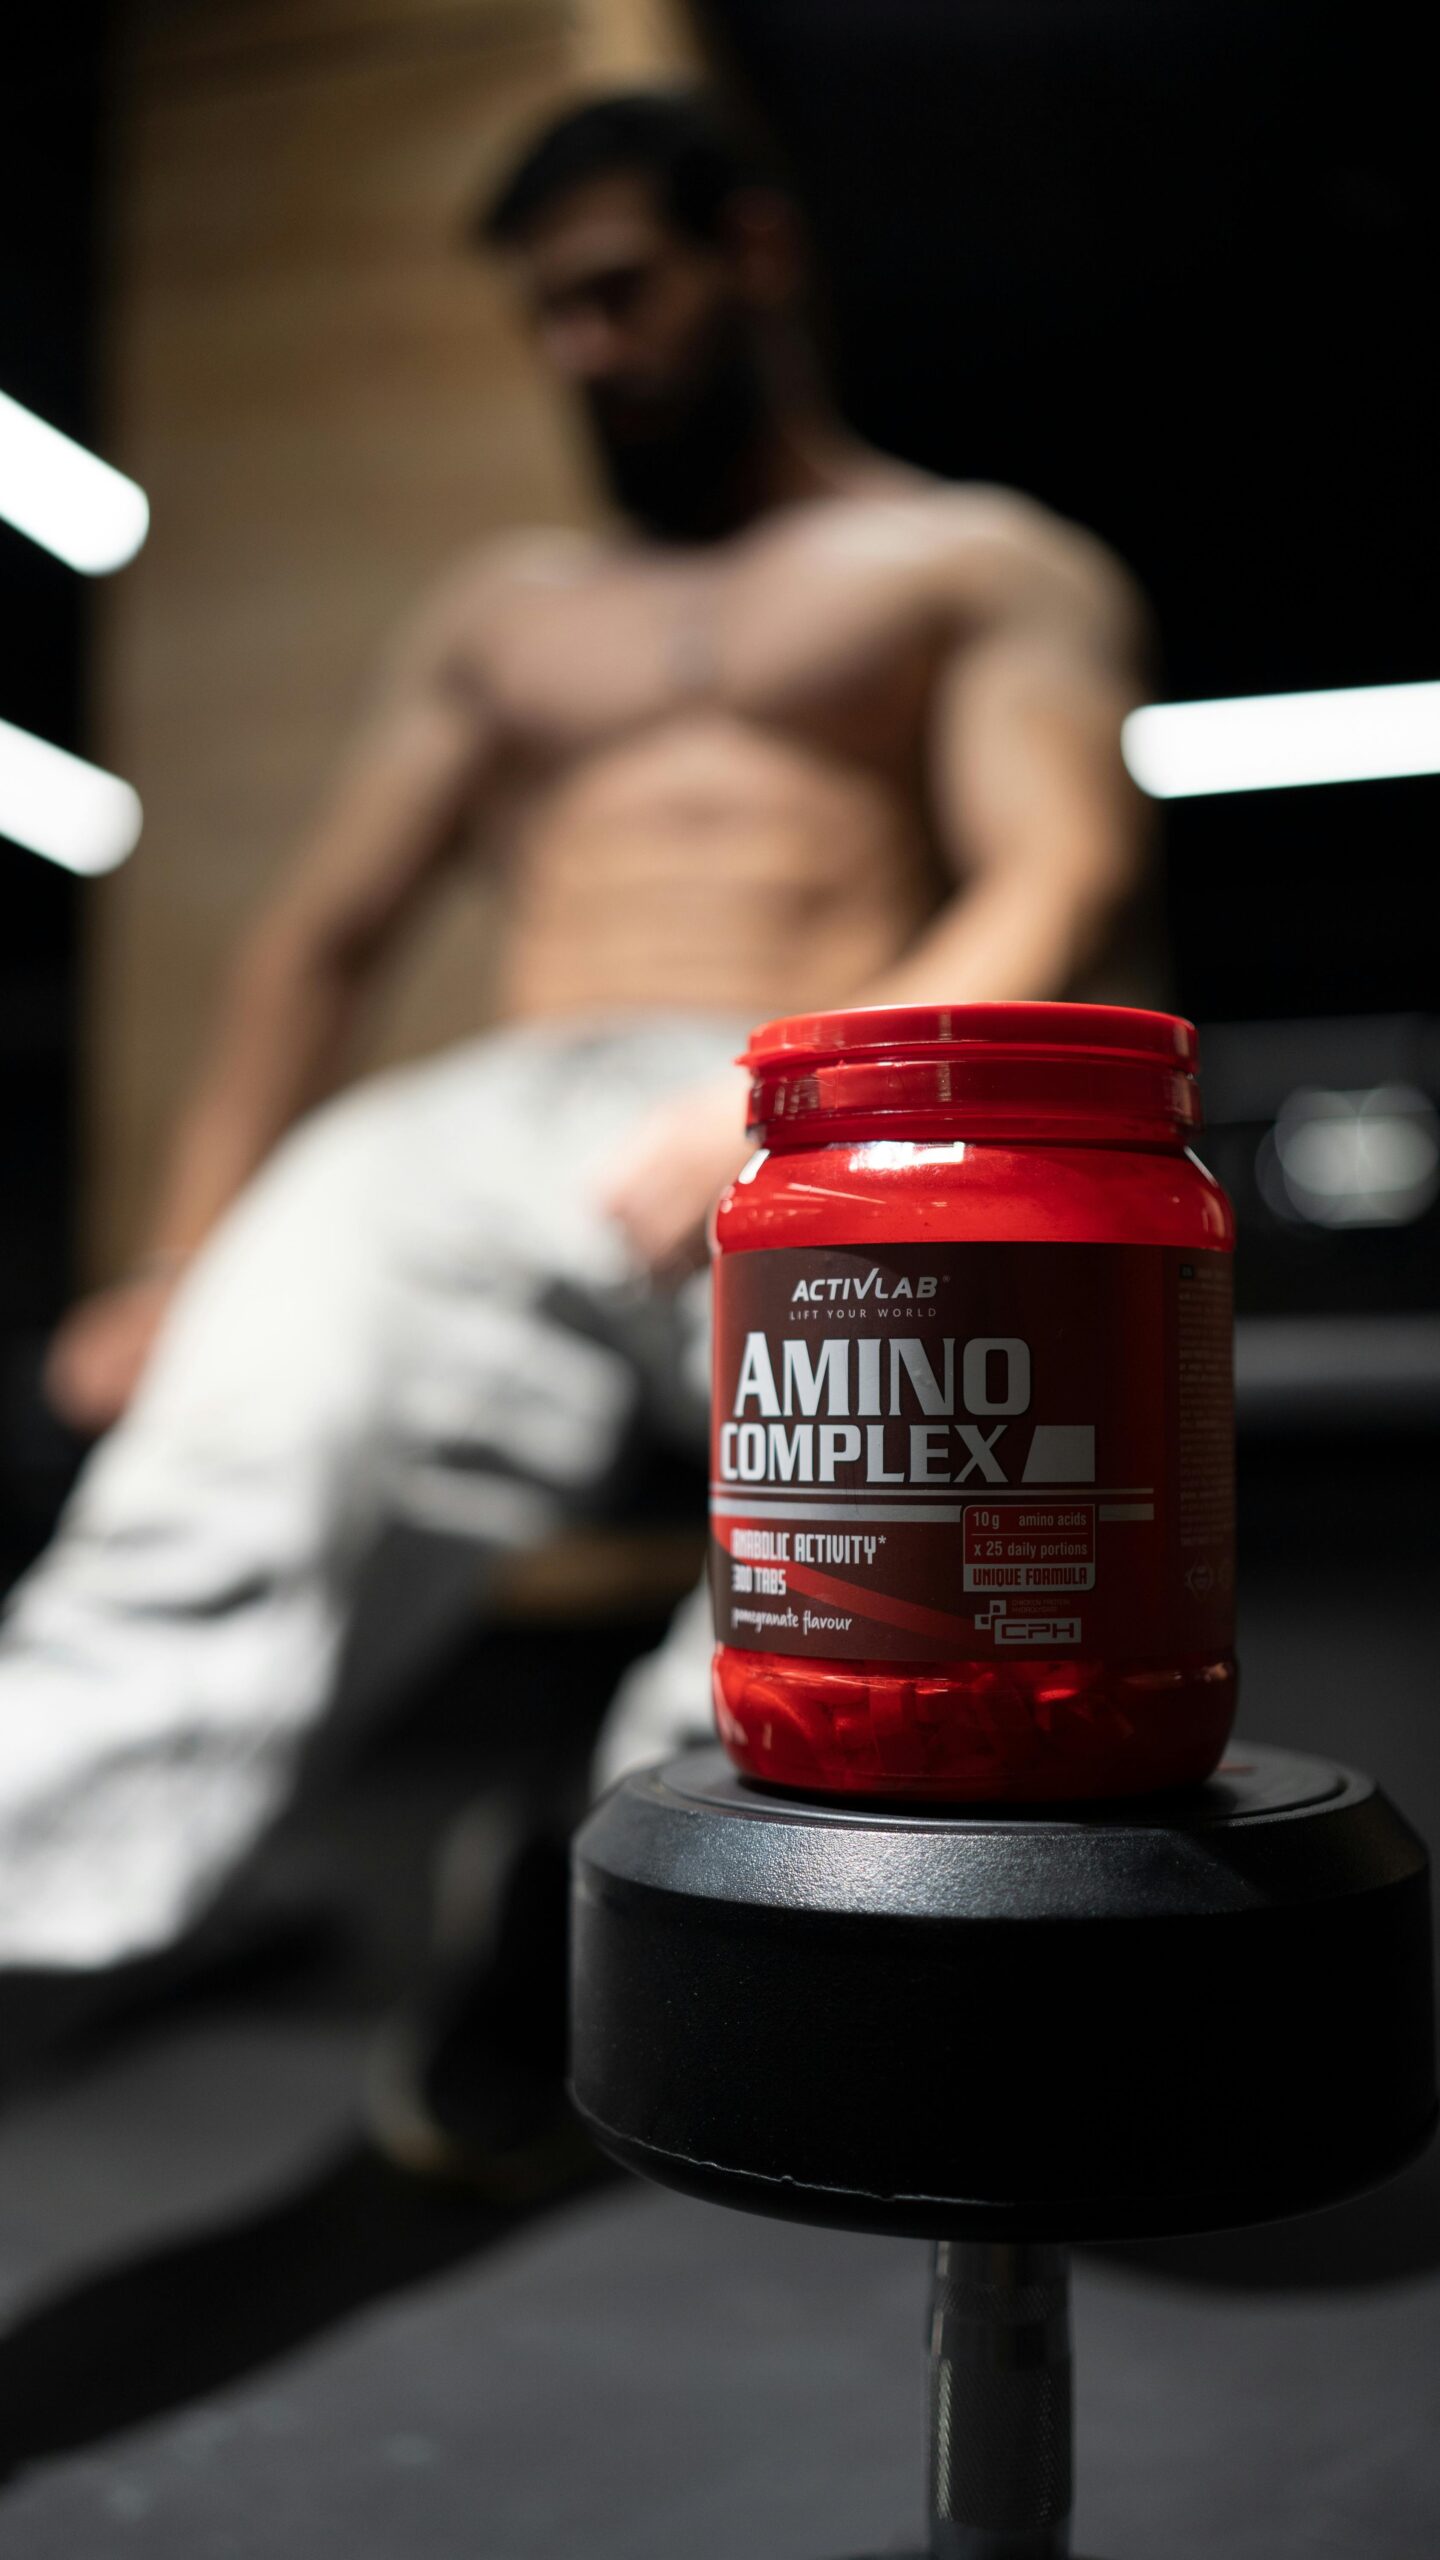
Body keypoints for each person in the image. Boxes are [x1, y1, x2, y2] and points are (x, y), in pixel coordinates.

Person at [0, 90, 1152, 1985]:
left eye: (620, 293)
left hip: (807, 1096)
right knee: (195, 1519)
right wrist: (173, 1269)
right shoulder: (509, 619)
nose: (584, 351)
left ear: (753, 256)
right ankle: (36, 1926)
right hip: (488, 1125)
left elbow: (1063, 873)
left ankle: (614, 1911)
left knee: (876, 1569)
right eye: (552, 315)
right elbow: (318, 940)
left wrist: (786, 1091)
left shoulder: (973, 564)